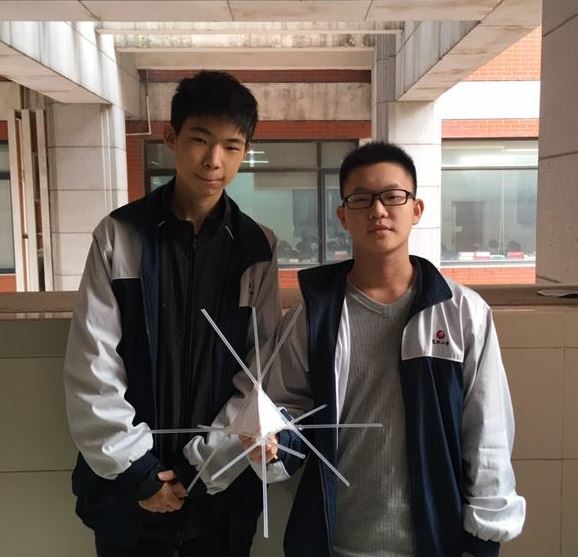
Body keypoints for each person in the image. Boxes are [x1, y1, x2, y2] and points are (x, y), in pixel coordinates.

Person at [251, 142, 526, 557]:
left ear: (415, 209)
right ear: (343, 215)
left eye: (393, 196)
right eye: (361, 199)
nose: (378, 210)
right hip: (336, 540)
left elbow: (487, 432)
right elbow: (285, 408)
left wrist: (484, 537)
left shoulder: (460, 312)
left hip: (435, 540)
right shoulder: (315, 314)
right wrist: (272, 443)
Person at [63, 70, 281, 557]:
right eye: (200, 140)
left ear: (245, 151)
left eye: (231, 146)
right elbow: (91, 365)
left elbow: (260, 368)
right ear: (170, 137)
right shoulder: (120, 235)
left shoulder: (257, 247)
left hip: (220, 492)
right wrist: (139, 472)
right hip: (129, 491)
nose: (213, 160)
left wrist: (206, 465)